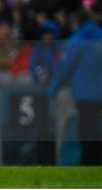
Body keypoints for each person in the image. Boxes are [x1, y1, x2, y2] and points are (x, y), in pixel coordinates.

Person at [48, 19, 102, 165]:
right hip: (99, 93)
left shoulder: (77, 40)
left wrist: (53, 88)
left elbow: (65, 67)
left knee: (86, 127)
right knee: (95, 125)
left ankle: (89, 160)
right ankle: (95, 159)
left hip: (84, 93)